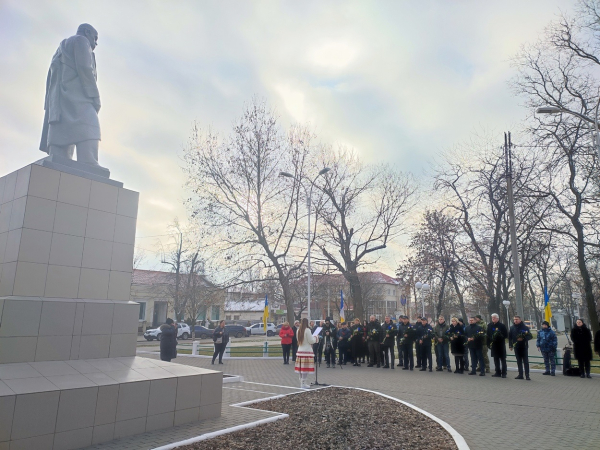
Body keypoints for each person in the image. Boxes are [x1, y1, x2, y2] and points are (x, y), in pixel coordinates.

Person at [40, 24, 107, 172]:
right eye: (95, 38)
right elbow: (85, 69)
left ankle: (60, 156)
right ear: (87, 32)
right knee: (90, 125)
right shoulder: (81, 41)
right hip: (79, 97)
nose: (96, 43)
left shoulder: (61, 47)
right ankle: (88, 161)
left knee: (60, 142)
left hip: (61, 98)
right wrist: (94, 96)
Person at [295, 318, 316, 388]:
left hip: (300, 350)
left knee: (301, 368)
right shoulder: (307, 330)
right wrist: (316, 338)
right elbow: (311, 341)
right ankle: (303, 383)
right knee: (305, 368)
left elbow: (298, 340)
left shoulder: (298, 330)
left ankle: (302, 382)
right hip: (307, 351)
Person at [509, 316, 532, 380]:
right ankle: (520, 375)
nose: (515, 321)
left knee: (526, 361)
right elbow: (510, 337)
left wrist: (523, 338)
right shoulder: (512, 328)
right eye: (514, 319)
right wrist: (510, 345)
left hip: (524, 346)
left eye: (517, 319)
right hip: (516, 347)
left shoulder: (525, 327)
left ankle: (527, 375)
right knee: (519, 361)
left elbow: (530, 336)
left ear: (520, 320)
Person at [487, 313, 508, 378]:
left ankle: (504, 373)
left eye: (494, 318)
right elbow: (488, 334)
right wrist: (488, 343)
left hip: (500, 345)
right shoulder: (490, 325)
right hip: (493, 345)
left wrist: (499, 336)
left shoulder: (502, 325)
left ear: (497, 318)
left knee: (502, 359)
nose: (493, 319)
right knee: (496, 359)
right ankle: (497, 372)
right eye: (492, 318)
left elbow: (505, 335)